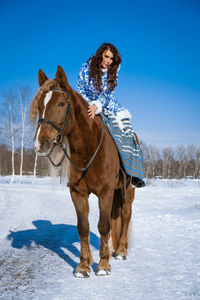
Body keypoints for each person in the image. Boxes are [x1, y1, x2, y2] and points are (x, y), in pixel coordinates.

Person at [77, 43, 145, 188]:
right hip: (86, 104)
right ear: (100, 54)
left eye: (111, 59)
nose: (108, 60)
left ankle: (133, 174)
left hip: (107, 106)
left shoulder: (112, 73)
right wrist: (89, 104)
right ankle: (74, 174)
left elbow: (107, 95)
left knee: (126, 130)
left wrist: (97, 106)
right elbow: (80, 88)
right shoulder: (85, 68)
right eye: (106, 56)